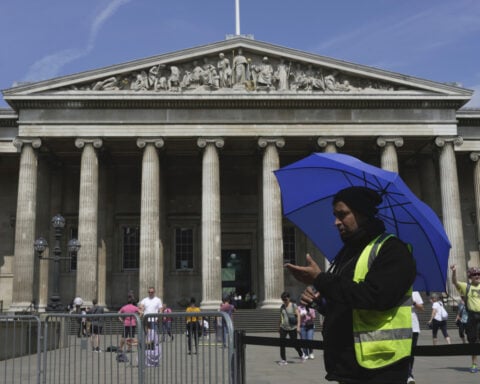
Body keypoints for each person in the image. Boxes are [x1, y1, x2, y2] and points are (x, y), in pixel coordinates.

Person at [286, 186, 416, 383]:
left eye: (343, 214)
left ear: (362, 213)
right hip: (348, 365)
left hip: (381, 367)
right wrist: (319, 303)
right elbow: (347, 304)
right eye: (335, 215)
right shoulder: (347, 254)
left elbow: (374, 297)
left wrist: (320, 279)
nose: (336, 222)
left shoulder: (393, 251)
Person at [451, 264, 480, 373]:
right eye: (474, 274)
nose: (477, 276)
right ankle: (474, 364)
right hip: (472, 318)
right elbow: (454, 282)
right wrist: (454, 271)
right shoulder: (466, 286)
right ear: (470, 276)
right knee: (473, 342)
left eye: (478, 274)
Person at [278, 291, 304, 365]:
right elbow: (281, 317)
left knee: (294, 343)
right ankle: (283, 360)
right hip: (283, 327)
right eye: (283, 300)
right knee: (282, 344)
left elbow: (298, 315)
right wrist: (279, 326)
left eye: (285, 299)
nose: (284, 301)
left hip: (292, 328)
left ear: (289, 298)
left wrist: (298, 326)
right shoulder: (282, 307)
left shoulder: (293, 305)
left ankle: (301, 354)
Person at [408, 291, 424, 384]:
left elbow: (422, 308)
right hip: (401, 327)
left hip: (414, 327)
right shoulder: (398, 289)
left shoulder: (415, 292)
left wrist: (413, 302)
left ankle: (409, 373)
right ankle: (407, 374)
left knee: (412, 353)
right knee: (403, 353)